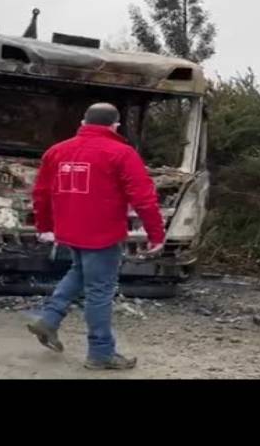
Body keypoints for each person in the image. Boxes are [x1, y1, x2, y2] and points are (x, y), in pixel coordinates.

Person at [28, 102, 165, 370]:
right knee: (99, 292)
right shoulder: (122, 153)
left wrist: (44, 226)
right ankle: (101, 353)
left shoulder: (56, 151)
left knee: (79, 270)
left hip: (70, 230)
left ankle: (49, 319)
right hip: (102, 234)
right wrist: (156, 234)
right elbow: (143, 197)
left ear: (82, 122)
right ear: (115, 126)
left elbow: (41, 193)